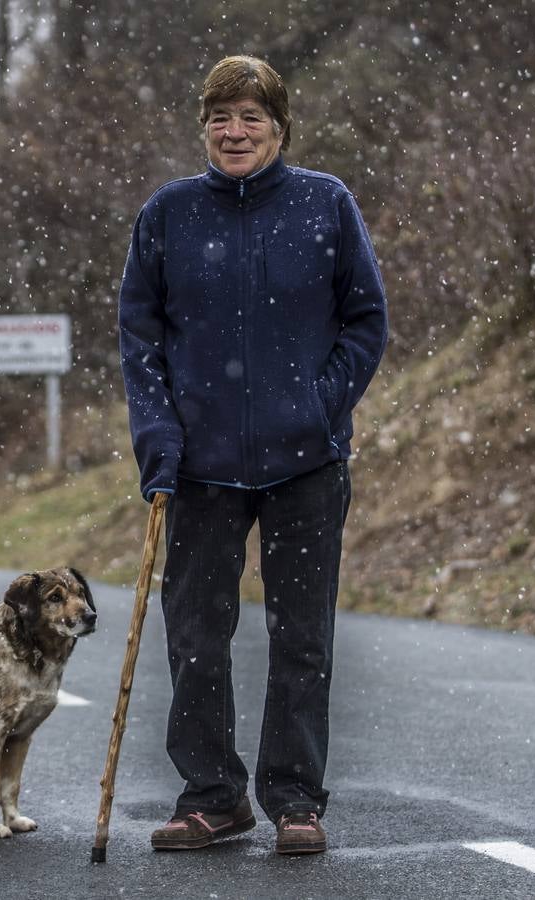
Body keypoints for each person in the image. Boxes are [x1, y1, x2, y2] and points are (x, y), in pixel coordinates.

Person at [118, 54, 388, 856]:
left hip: (306, 462)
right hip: (198, 469)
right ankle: (213, 796)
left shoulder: (325, 204)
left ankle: (296, 800)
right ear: (203, 127)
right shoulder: (168, 215)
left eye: (251, 118)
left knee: (300, 637)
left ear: (279, 128)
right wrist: (159, 435)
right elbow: (141, 341)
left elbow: (364, 322)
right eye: (220, 118)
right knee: (196, 634)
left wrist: (318, 403)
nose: (234, 132)